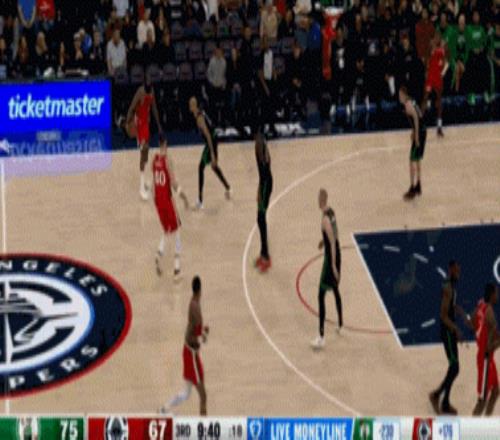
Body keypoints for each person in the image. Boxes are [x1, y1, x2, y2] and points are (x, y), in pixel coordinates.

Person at [160, 276, 209, 415]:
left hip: (190, 352)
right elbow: (193, 336)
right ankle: (203, 426)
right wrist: (203, 337)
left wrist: (202, 334)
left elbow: (193, 331)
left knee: (186, 393)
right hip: (191, 355)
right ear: (200, 290)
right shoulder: (195, 308)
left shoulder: (193, 303)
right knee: (203, 396)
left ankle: (165, 408)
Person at [459, 283, 500, 415]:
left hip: (487, 359)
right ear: (492, 295)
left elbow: (470, 323)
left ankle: (487, 423)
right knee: (482, 400)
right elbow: (490, 347)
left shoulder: (481, 305)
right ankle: (472, 426)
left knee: (496, 390)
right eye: (496, 293)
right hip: (485, 361)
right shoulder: (490, 314)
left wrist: (462, 314)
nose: (497, 296)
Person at [152, 137, 189, 279]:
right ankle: (177, 269)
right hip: (167, 200)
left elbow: (154, 183)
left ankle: (159, 254)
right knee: (178, 231)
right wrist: (184, 197)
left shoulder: (154, 159)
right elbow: (173, 183)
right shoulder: (167, 160)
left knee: (167, 231)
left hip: (157, 200)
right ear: (165, 144)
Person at [429, 260, 462, 415]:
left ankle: (444, 401)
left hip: (451, 331)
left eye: (459, 270)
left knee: (454, 367)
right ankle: (437, 396)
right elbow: (443, 315)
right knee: (454, 367)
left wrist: (460, 312)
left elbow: (451, 306)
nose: (458, 272)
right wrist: (455, 329)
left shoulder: (452, 286)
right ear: (450, 270)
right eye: (456, 270)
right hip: (448, 332)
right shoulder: (448, 288)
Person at [311, 189, 342, 349]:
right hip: (336, 254)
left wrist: (333, 266)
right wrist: (322, 241)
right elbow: (334, 235)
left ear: (321, 200)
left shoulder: (324, 219)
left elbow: (332, 242)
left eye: (318, 198)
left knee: (320, 295)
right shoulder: (331, 212)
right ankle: (340, 323)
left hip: (330, 259)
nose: (317, 200)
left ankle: (321, 337)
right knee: (335, 289)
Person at [189, 96, 231, 210]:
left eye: (192, 104)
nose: (190, 105)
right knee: (213, 166)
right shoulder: (199, 113)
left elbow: (207, 135)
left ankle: (200, 201)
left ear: (195, 106)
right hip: (213, 139)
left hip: (211, 141)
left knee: (201, 168)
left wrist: (212, 153)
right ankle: (228, 187)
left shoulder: (199, 118)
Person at [126, 76, 163, 200]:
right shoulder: (140, 92)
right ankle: (141, 188)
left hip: (146, 124)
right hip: (139, 123)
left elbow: (154, 108)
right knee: (143, 152)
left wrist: (159, 126)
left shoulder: (151, 92)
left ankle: (144, 181)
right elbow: (132, 107)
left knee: (146, 154)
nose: (149, 88)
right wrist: (128, 123)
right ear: (144, 85)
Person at [399, 86, 426, 200]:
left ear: (404, 95)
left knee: (412, 160)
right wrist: (414, 131)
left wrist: (416, 136)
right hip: (423, 130)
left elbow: (415, 117)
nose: (399, 97)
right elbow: (419, 116)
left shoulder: (408, 104)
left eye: (400, 95)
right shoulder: (412, 101)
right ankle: (418, 185)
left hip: (420, 132)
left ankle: (412, 188)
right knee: (418, 158)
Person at [254, 127, 273, 273]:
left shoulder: (259, 145)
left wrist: (260, 190)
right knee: (260, 219)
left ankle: (266, 256)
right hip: (265, 182)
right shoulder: (262, 143)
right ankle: (263, 252)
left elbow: (264, 173)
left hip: (266, 184)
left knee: (261, 218)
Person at [422, 32, 448, 137]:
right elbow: (425, 61)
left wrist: (442, 72)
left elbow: (446, 62)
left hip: (437, 77)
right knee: (425, 99)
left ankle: (439, 127)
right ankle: (420, 125)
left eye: (438, 38)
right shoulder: (430, 48)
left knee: (439, 101)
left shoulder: (442, 48)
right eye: (435, 38)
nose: (437, 39)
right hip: (430, 77)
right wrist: (426, 71)